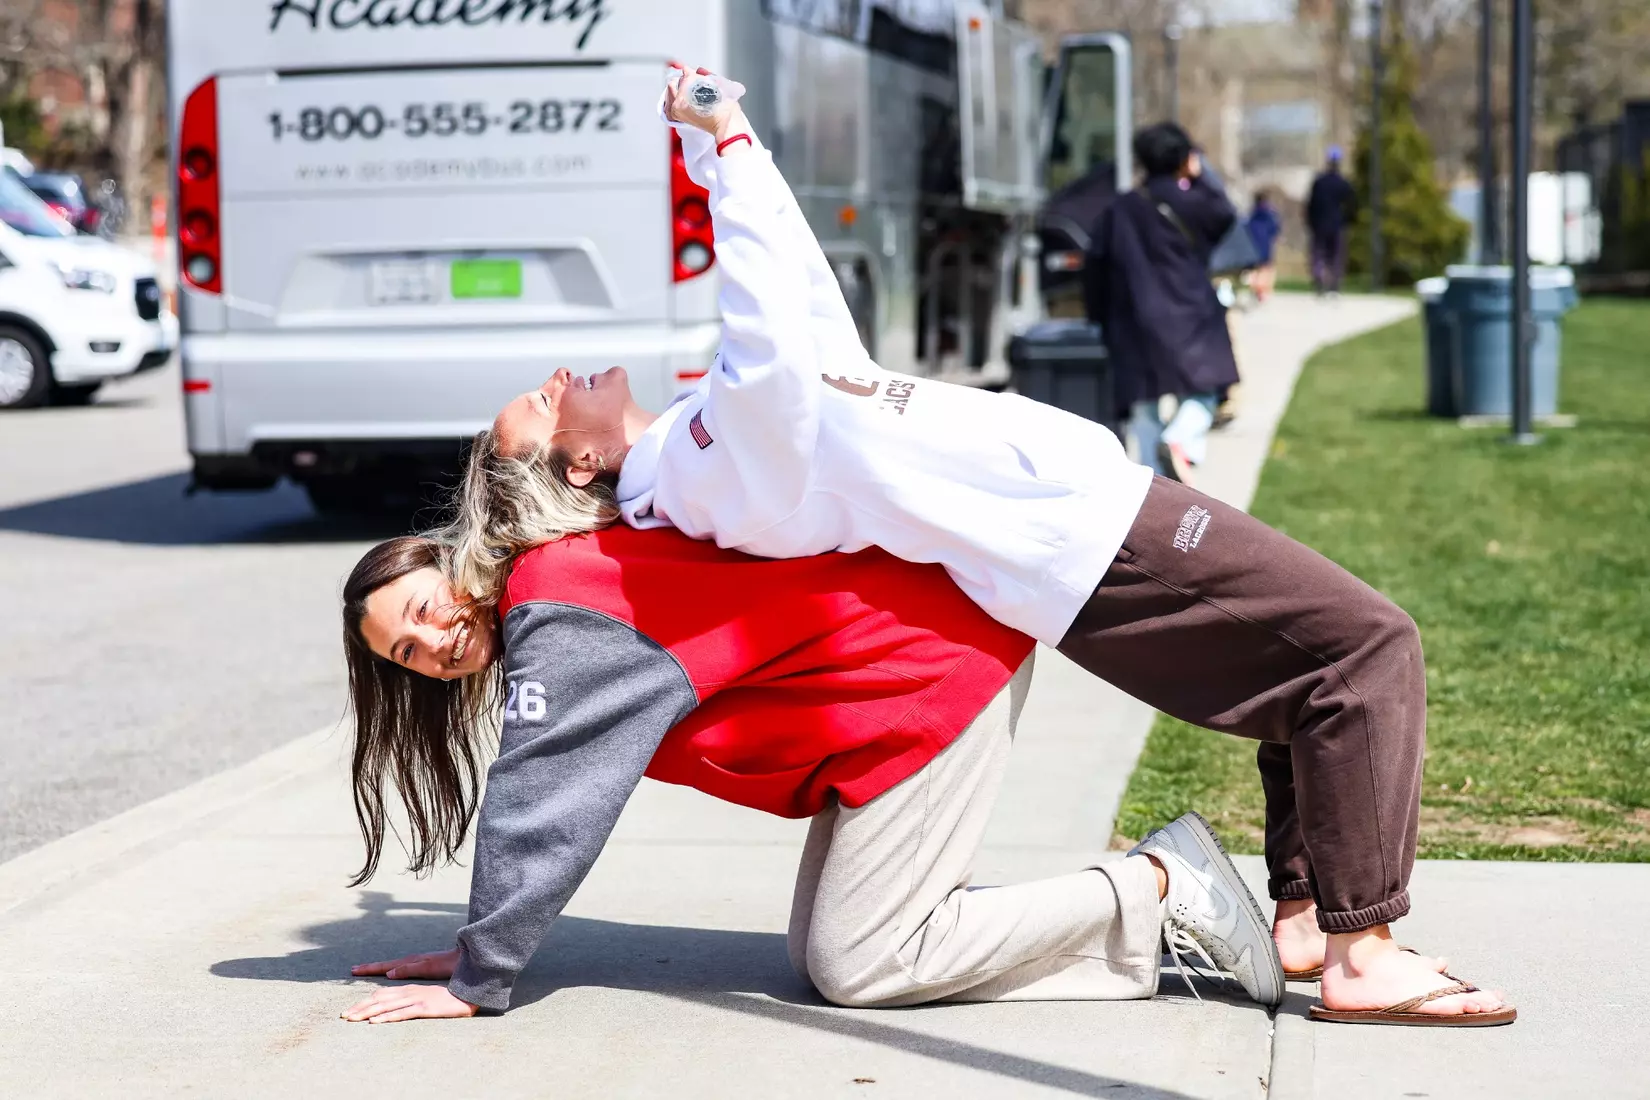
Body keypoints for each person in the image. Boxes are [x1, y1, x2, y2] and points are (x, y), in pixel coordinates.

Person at [455, 68, 1514, 1027]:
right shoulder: (705, 474)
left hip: (1085, 523)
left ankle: (1304, 919)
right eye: (538, 412)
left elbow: (810, 312)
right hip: (1093, 538)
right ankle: (1362, 949)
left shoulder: (695, 434)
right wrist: (726, 149)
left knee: (1300, 669)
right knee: (1369, 650)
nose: (554, 380)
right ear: (577, 470)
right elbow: (772, 344)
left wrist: (722, 146)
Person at [337, 533, 1280, 1022]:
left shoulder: (557, 619)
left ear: (454, 566)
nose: (435, 645)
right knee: (820, 958)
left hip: (918, 674)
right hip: (887, 691)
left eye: (424, 611)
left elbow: (541, 806)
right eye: (409, 657)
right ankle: (1160, 928)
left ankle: (1155, 887)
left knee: (863, 964)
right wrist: (476, 947)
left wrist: (478, 976)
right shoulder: (547, 595)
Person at [1083, 122, 1241, 485]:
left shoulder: (1117, 210)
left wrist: (1098, 318)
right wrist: (1198, 177)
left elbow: (1095, 267)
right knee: (1206, 390)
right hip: (1191, 316)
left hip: (1132, 320)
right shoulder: (1196, 203)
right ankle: (1181, 441)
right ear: (1185, 159)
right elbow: (1225, 215)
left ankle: (1154, 489)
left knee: (1143, 407)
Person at [1307, 148, 1357, 297]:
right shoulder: (1342, 183)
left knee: (1319, 254)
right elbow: (1352, 204)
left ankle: (1320, 280)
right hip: (1336, 224)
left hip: (1320, 225)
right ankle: (1334, 285)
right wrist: (1348, 219)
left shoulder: (1319, 182)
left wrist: (1311, 221)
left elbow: (1311, 205)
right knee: (1335, 255)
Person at [1245, 191, 1283, 302]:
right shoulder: (1271, 214)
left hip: (1253, 244)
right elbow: (1275, 229)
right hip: (1266, 244)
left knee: (1255, 269)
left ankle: (1256, 289)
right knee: (1265, 268)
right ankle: (1263, 290)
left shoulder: (1252, 214)